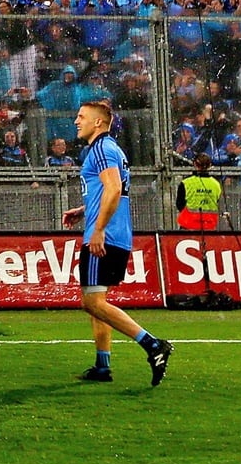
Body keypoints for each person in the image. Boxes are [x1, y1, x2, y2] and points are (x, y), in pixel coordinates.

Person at [60, 101, 174, 386]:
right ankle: (102, 365)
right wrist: (84, 210)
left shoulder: (99, 149)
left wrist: (97, 229)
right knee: (97, 301)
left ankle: (152, 344)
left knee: (92, 302)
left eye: (81, 116)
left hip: (104, 237)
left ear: (98, 123)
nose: (76, 121)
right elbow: (112, 191)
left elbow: (113, 188)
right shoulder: (112, 149)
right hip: (117, 234)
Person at [175, 153, 221, 231]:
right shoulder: (216, 184)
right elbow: (216, 201)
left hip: (189, 225)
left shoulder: (186, 183)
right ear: (209, 166)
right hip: (209, 226)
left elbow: (179, 204)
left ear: (195, 164)